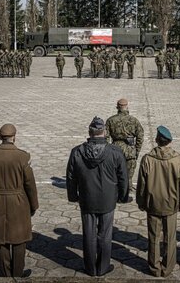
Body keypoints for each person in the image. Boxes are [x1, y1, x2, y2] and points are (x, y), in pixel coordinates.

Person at [66, 117, 128, 277]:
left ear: (89, 132)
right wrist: (123, 195)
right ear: (105, 132)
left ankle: (90, 268)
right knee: (105, 235)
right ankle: (102, 267)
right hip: (108, 200)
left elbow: (71, 177)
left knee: (89, 234)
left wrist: (73, 196)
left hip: (87, 199)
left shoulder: (77, 152)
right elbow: (123, 177)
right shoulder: (114, 151)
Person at [0, 124, 38, 277]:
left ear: (0, 137)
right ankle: (18, 273)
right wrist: (34, 205)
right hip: (19, 201)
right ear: (14, 136)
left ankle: (5, 274)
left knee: (2, 240)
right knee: (19, 239)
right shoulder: (22, 156)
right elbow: (30, 184)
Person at [136, 126, 180, 277]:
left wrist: (141, 202)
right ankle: (168, 267)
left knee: (153, 237)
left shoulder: (148, 159)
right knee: (170, 238)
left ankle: (154, 267)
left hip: (153, 204)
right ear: (170, 141)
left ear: (157, 140)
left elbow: (142, 185)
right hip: (171, 204)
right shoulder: (178, 160)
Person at [105, 98, 144, 199]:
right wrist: (136, 151)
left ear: (117, 107)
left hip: (115, 149)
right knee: (128, 175)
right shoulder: (134, 120)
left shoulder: (111, 120)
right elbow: (140, 137)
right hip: (129, 150)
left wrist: (107, 151)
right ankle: (126, 194)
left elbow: (106, 137)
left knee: (114, 173)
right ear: (127, 106)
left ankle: (115, 193)